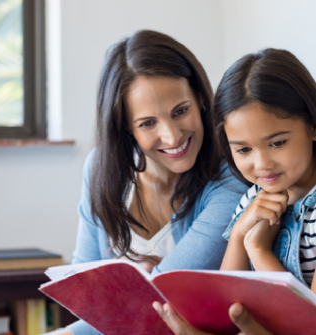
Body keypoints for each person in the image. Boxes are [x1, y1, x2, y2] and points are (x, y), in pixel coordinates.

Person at [57, 29, 248, 335]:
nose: (172, 136)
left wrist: (127, 283)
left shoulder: (231, 179)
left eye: (180, 111)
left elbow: (157, 303)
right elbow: (84, 293)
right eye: (148, 123)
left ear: (200, 97)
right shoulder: (100, 168)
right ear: (124, 127)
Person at [212, 48, 316, 294]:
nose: (262, 165)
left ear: (313, 126)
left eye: (277, 143)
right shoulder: (253, 199)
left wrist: (257, 248)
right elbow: (226, 302)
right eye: (244, 150)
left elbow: (310, 323)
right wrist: (239, 234)